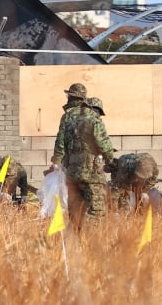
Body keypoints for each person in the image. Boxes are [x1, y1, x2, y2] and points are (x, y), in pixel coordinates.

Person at [52, 95, 115, 229]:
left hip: (72, 174)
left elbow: (62, 145)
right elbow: (105, 145)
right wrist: (110, 161)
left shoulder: (69, 124)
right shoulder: (95, 122)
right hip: (91, 174)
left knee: (75, 210)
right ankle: (90, 243)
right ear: (95, 110)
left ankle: (75, 241)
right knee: (95, 211)